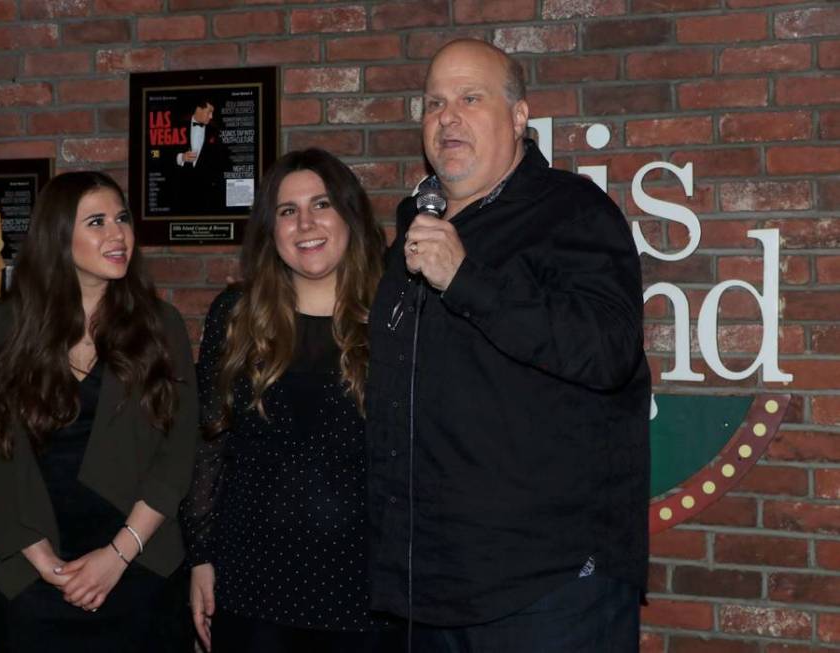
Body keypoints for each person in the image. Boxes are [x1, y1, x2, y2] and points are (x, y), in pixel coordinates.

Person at [365, 39, 650, 652]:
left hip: (545, 592)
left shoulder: (571, 213)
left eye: (471, 97)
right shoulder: (416, 227)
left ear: (520, 117)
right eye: (434, 102)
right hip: (428, 589)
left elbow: (608, 350)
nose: (448, 116)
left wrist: (466, 280)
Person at [180, 148, 401, 653]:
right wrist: (200, 557)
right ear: (271, 231)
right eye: (287, 211)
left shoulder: (395, 317)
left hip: (365, 592)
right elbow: (208, 444)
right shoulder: (235, 315)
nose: (305, 223)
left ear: (350, 217)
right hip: (251, 587)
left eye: (321, 204)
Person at [0, 171, 198, 652]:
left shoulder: (161, 327)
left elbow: (177, 456)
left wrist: (116, 556)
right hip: (35, 575)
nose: (118, 234)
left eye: (122, 218)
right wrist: (44, 562)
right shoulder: (5, 329)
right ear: (58, 236)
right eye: (97, 222)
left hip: (141, 568)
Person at [174, 98, 228, 214]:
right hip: (180, 194)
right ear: (199, 109)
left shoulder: (216, 131)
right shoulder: (177, 126)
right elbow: (157, 154)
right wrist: (181, 157)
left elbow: (223, 161)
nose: (211, 116)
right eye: (209, 112)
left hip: (208, 196)